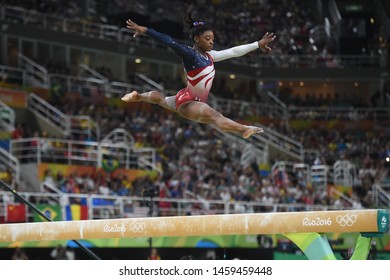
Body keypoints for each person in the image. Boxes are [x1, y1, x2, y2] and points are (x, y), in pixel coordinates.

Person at [122, 6, 276, 139]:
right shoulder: (190, 54)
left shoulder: (210, 56)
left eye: (212, 39)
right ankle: (244, 129)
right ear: (196, 39)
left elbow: (233, 51)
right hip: (189, 102)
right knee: (215, 116)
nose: (211, 42)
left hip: (186, 96)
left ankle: (138, 96)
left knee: (162, 100)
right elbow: (169, 41)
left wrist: (257, 44)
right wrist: (146, 30)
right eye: (207, 38)